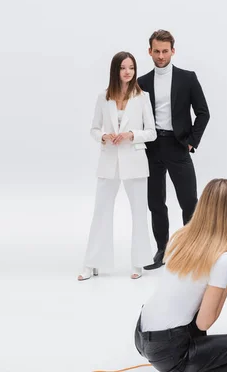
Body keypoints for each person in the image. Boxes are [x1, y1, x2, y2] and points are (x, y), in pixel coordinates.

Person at [135, 179, 227, 371]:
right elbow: (204, 322)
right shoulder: (222, 260)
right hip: (171, 350)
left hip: (142, 336)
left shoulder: (180, 237)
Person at [78, 52, 156, 281]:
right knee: (100, 212)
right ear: (115, 70)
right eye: (123, 68)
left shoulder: (142, 97)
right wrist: (103, 136)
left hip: (135, 162)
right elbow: (94, 128)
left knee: (139, 213)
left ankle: (138, 263)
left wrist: (132, 134)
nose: (128, 72)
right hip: (109, 161)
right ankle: (91, 263)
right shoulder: (103, 97)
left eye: (131, 67)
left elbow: (151, 132)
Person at [137, 29, 210, 271]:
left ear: (173, 51)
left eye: (165, 51)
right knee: (156, 202)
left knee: (189, 201)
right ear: (150, 51)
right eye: (156, 51)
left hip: (178, 146)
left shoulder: (187, 78)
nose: (160, 56)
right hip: (152, 147)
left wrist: (191, 141)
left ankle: (192, 249)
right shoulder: (142, 83)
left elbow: (203, 112)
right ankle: (162, 249)